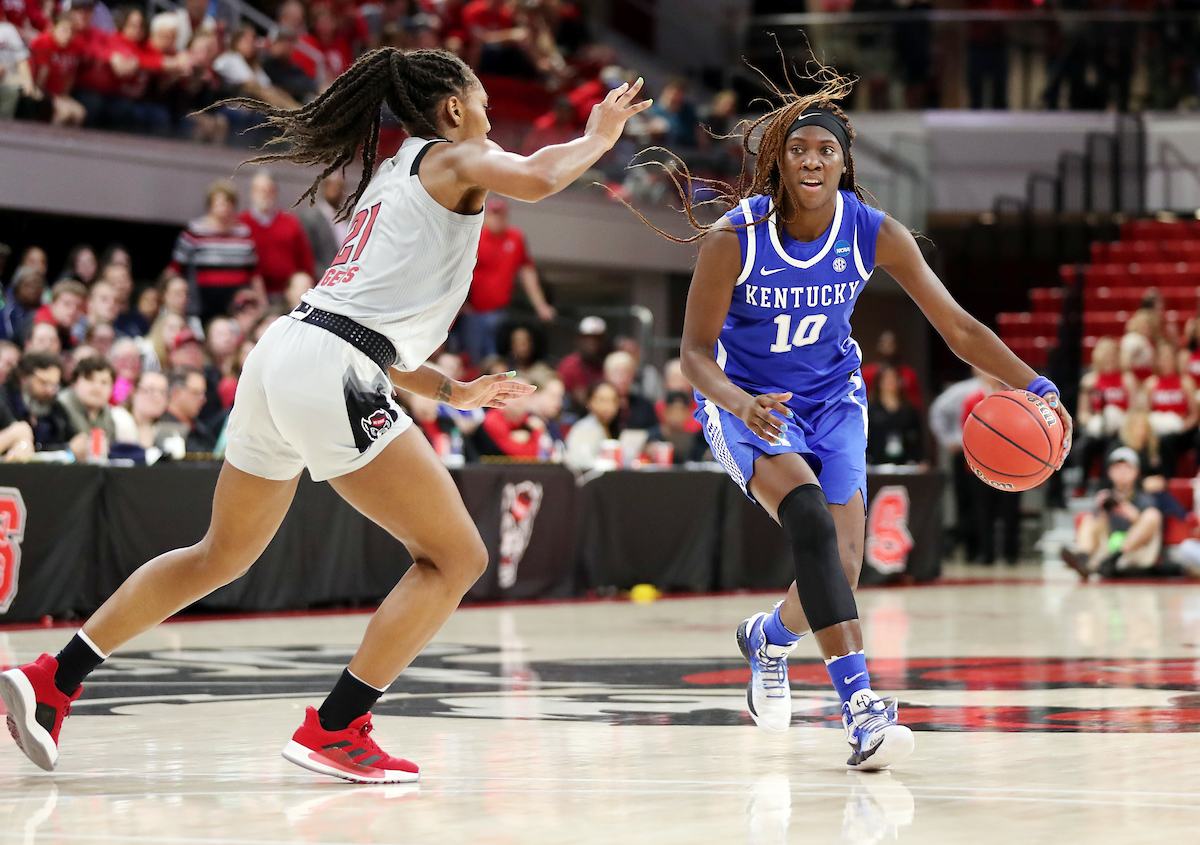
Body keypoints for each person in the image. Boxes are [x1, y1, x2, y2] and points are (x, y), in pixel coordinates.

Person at [0, 47, 650, 783]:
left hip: (289, 350)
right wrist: (599, 137)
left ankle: (56, 676)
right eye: (486, 107)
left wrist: (453, 390)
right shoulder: (457, 157)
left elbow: (374, 331)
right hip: (327, 364)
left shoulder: (393, 176)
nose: (492, 121)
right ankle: (337, 726)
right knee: (457, 556)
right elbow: (536, 177)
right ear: (455, 110)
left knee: (221, 552)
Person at [661, 60, 1070, 770]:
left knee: (844, 564)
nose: (812, 159)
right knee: (811, 519)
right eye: (797, 150)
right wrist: (737, 401)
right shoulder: (736, 235)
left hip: (833, 397)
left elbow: (959, 328)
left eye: (825, 150)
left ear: (844, 163)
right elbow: (693, 354)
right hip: (748, 401)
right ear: (778, 164)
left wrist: (1036, 383)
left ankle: (768, 638)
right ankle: (861, 707)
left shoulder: (873, 230)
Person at [460, 198, 555, 365]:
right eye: (493, 214)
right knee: (473, 359)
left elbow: (527, 272)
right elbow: (459, 270)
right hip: (473, 312)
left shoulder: (515, 237)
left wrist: (541, 306)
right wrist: (460, 304)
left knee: (498, 359)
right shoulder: (476, 237)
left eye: (501, 215)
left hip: (500, 312)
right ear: (486, 216)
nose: (498, 219)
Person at [1061, 448, 1162, 579]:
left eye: (1127, 468)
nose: (1122, 473)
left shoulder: (1145, 498)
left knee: (1152, 515)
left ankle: (1114, 560)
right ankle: (1082, 559)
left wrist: (1128, 511)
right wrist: (1101, 509)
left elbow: (1150, 527)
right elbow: (1097, 526)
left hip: (1135, 552)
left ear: (1136, 472)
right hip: (1107, 548)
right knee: (1089, 519)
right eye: (1118, 468)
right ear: (1110, 472)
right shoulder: (1105, 497)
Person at [168, 181, 262, 322]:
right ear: (210, 205)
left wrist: (261, 301)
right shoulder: (195, 232)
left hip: (236, 304)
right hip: (202, 302)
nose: (222, 208)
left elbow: (254, 273)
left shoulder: (244, 233)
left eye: (226, 203)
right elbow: (176, 267)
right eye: (218, 203)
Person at [239, 171, 315, 301]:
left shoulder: (291, 223)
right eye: (261, 190)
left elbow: (306, 262)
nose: (266, 195)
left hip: (288, 294)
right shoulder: (241, 224)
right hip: (253, 293)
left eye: (269, 190)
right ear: (252, 193)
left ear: (275, 192)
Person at [1145, 340, 1197, 477]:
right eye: (1162, 358)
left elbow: (1195, 414)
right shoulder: (1151, 383)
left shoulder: (1185, 382)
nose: (1166, 361)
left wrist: (1181, 427)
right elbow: (1145, 413)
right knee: (1159, 440)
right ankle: (1160, 477)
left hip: (1183, 430)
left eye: (1169, 357)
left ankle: (1175, 477)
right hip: (1159, 430)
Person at [865, 363, 923, 466]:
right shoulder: (871, 408)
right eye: (887, 379)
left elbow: (916, 436)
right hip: (876, 462)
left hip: (904, 463)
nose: (890, 383)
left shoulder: (908, 408)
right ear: (879, 382)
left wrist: (918, 459)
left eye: (893, 379)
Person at [297, 173, 348, 277]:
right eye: (332, 186)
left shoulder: (348, 219)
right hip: (324, 277)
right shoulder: (311, 218)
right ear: (324, 188)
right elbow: (309, 256)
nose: (336, 190)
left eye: (340, 187)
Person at [564, 380, 620, 471]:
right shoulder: (584, 429)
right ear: (590, 402)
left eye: (612, 400)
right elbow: (578, 462)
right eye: (602, 400)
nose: (608, 406)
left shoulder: (613, 427)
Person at [557, 315, 608, 412]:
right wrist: (571, 396)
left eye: (596, 339)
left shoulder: (609, 365)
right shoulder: (568, 365)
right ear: (579, 339)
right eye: (587, 338)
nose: (592, 343)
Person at [860, 330, 921, 409]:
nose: (888, 347)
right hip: (873, 413)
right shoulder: (867, 373)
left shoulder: (909, 375)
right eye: (884, 343)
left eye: (891, 343)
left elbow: (916, 403)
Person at [112, 370, 169, 452]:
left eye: (162, 392)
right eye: (150, 390)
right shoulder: (117, 419)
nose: (157, 398)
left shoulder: (159, 430)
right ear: (134, 392)